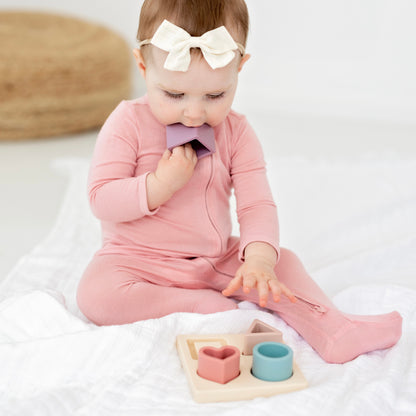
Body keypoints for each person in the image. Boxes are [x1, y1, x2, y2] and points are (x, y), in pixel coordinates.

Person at [77, 0, 402, 363]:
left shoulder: (237, 132)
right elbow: (101, 199)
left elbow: (256, 203)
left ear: (240, 68)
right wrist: (159, 185)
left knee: (285, 264)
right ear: (142, 66)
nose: (194, 112)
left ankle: (335, 330)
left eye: (215, 95)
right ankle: (202, 307)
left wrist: (258, 260)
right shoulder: (127, 122)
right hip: (136, 260)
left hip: (215, 258)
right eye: (174, 94)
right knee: (96, 293)